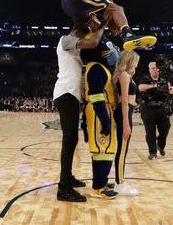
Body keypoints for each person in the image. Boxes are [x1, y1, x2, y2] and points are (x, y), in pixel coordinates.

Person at [53, 23, 105, 202]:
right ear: (76, 33)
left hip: (71, 95)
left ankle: (68, 178)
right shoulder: (66, 40)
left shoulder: (73, 48)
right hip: (65, 93)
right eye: (84, 36)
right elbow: (93, 43)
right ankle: (63, 188)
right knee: (69, 139)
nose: (85, 40)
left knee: (72, 139)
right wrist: (101, 29)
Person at [80, 27, 120, 199]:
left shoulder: (98, 67)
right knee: (103, 149)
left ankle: (100, 181)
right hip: (99, 110)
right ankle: (98, 188)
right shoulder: (96, 67)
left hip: (101, 109)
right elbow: (95, 96)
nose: (110, 51)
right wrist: (104, 119)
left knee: (103, 149)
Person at [112, 51, 140, 196]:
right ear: (129, 61)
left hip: (127, 111)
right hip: (124, 112)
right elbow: (123, 100)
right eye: (135, 61)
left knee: (123, 149)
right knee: (122, 150)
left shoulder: (126, 75)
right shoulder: (123, 75)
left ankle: (120, 181)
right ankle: (120, 184)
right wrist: (126, 123)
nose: (136, 64)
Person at [138, 62, 173, 160]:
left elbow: (171, 90)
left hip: (161, 108)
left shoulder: (164, 80)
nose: (155, 70)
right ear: (149, 70)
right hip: (148, 108)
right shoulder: (145, 79)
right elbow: (141, 88)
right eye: (153, 68)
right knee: (150, 132)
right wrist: (154, 86)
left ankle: (160, 144)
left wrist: (171, 89)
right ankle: (152, 152)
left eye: (156, 68)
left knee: (166, 127)